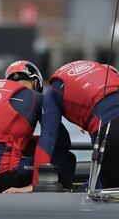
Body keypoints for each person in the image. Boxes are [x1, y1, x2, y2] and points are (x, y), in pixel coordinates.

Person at [6, 60, 119, 193]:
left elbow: (47, 140)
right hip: (109, 133)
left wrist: (36, 184)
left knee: (107, 195)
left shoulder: (52, 93)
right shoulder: (104, 70)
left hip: (109, 135)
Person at [0, 60, 75, 193]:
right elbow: (59, 141)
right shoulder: (36, 98)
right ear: (35, 82)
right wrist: (35, 185)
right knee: (66, 158)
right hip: (2, 177)